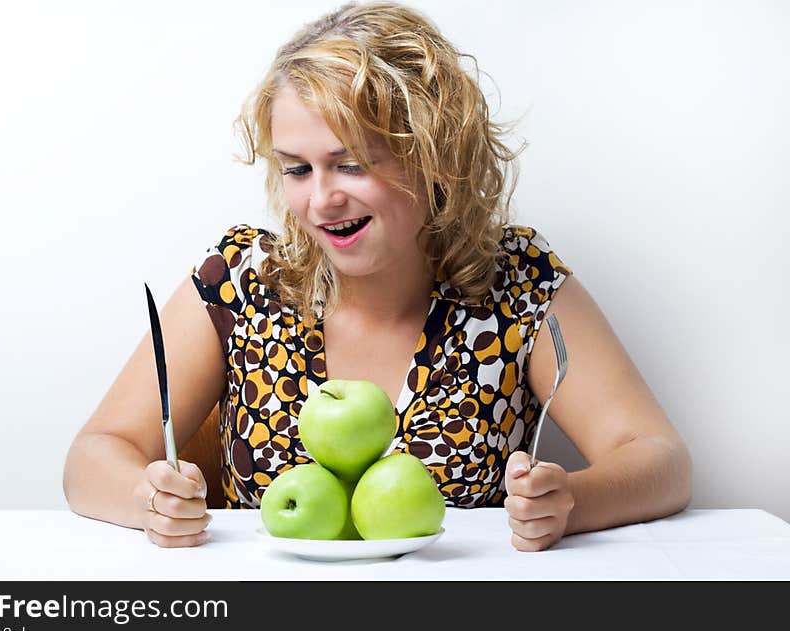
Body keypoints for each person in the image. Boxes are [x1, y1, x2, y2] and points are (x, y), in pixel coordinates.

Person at [63, 0, 693, 551]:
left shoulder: (515, 284)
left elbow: (660, 460)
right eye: (298, 169)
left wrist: (570, 504)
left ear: (435, 158)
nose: (320, 201)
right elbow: (93, 455)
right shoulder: (241, 279)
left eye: (351, 164)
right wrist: (149, 502)